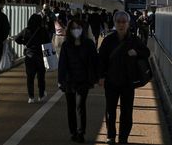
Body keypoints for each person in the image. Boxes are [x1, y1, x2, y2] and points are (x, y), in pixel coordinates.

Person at [98, 11, 151, 144]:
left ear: (128, 24)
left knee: (127, 112)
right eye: (118, 22)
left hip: (128, 81)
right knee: (110, 110)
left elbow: (146, 52)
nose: (121, 24)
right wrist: (101, 77)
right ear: (115, 23)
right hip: (111, 81)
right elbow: (101, 60)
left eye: (124, 22)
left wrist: (136, 52)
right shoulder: (108, 40)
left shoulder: (134, 40)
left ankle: (123, 137)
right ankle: (111, 135)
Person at [58, 19, 98, 144]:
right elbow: (62, 64)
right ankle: (73, 132)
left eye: (78, 27)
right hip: (69, 80)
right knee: (70, 107)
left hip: (83, 79)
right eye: (73, 28)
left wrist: (96, 77)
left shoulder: (89, 44)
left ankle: (81, 132)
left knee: (81, 106)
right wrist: (60, 80)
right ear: (69, 30)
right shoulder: (66, 45)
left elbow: (94, 61)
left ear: (82, 29)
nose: (76, 30)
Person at [14, 13, 52, 103]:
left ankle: (31, 97)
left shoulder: (26, 30)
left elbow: (16, 39)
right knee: (41, 77)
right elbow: (48, 42)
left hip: (29, 56)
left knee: (30, 77)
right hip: (40, 56)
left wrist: (25, 43)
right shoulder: (43, 30)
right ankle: (41, 95)